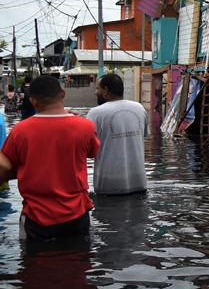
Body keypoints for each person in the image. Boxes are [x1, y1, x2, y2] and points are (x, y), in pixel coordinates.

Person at [0, 75, 100, 241]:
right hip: (76, 214)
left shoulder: (20, 131)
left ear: (33, 102)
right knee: (78, 263)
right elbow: (92, 152)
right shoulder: (85, 127)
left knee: (33, 264)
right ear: (63, 93)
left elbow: (7, 166)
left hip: (36, 218)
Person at [87, 73, 150, 195]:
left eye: (97, 88)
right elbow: (143, 137)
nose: (95, 92)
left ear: (105, 91)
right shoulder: (139, 108)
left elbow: (86, 148)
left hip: (109, 188)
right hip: (139, 185)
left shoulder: (96, 113)